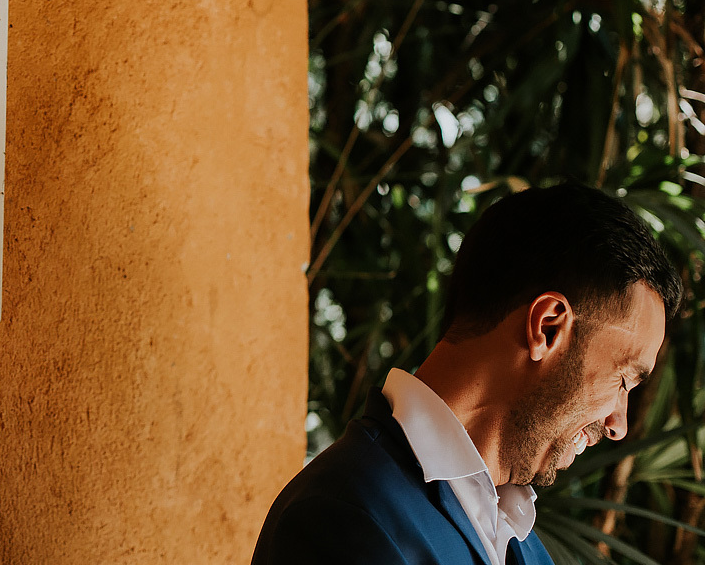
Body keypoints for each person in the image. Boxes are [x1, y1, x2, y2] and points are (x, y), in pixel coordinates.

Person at [252, 182, 682, 565]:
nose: (618, 426)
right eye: (624, 379)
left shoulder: (527, 547)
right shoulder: (341, 517)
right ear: (547, 327)